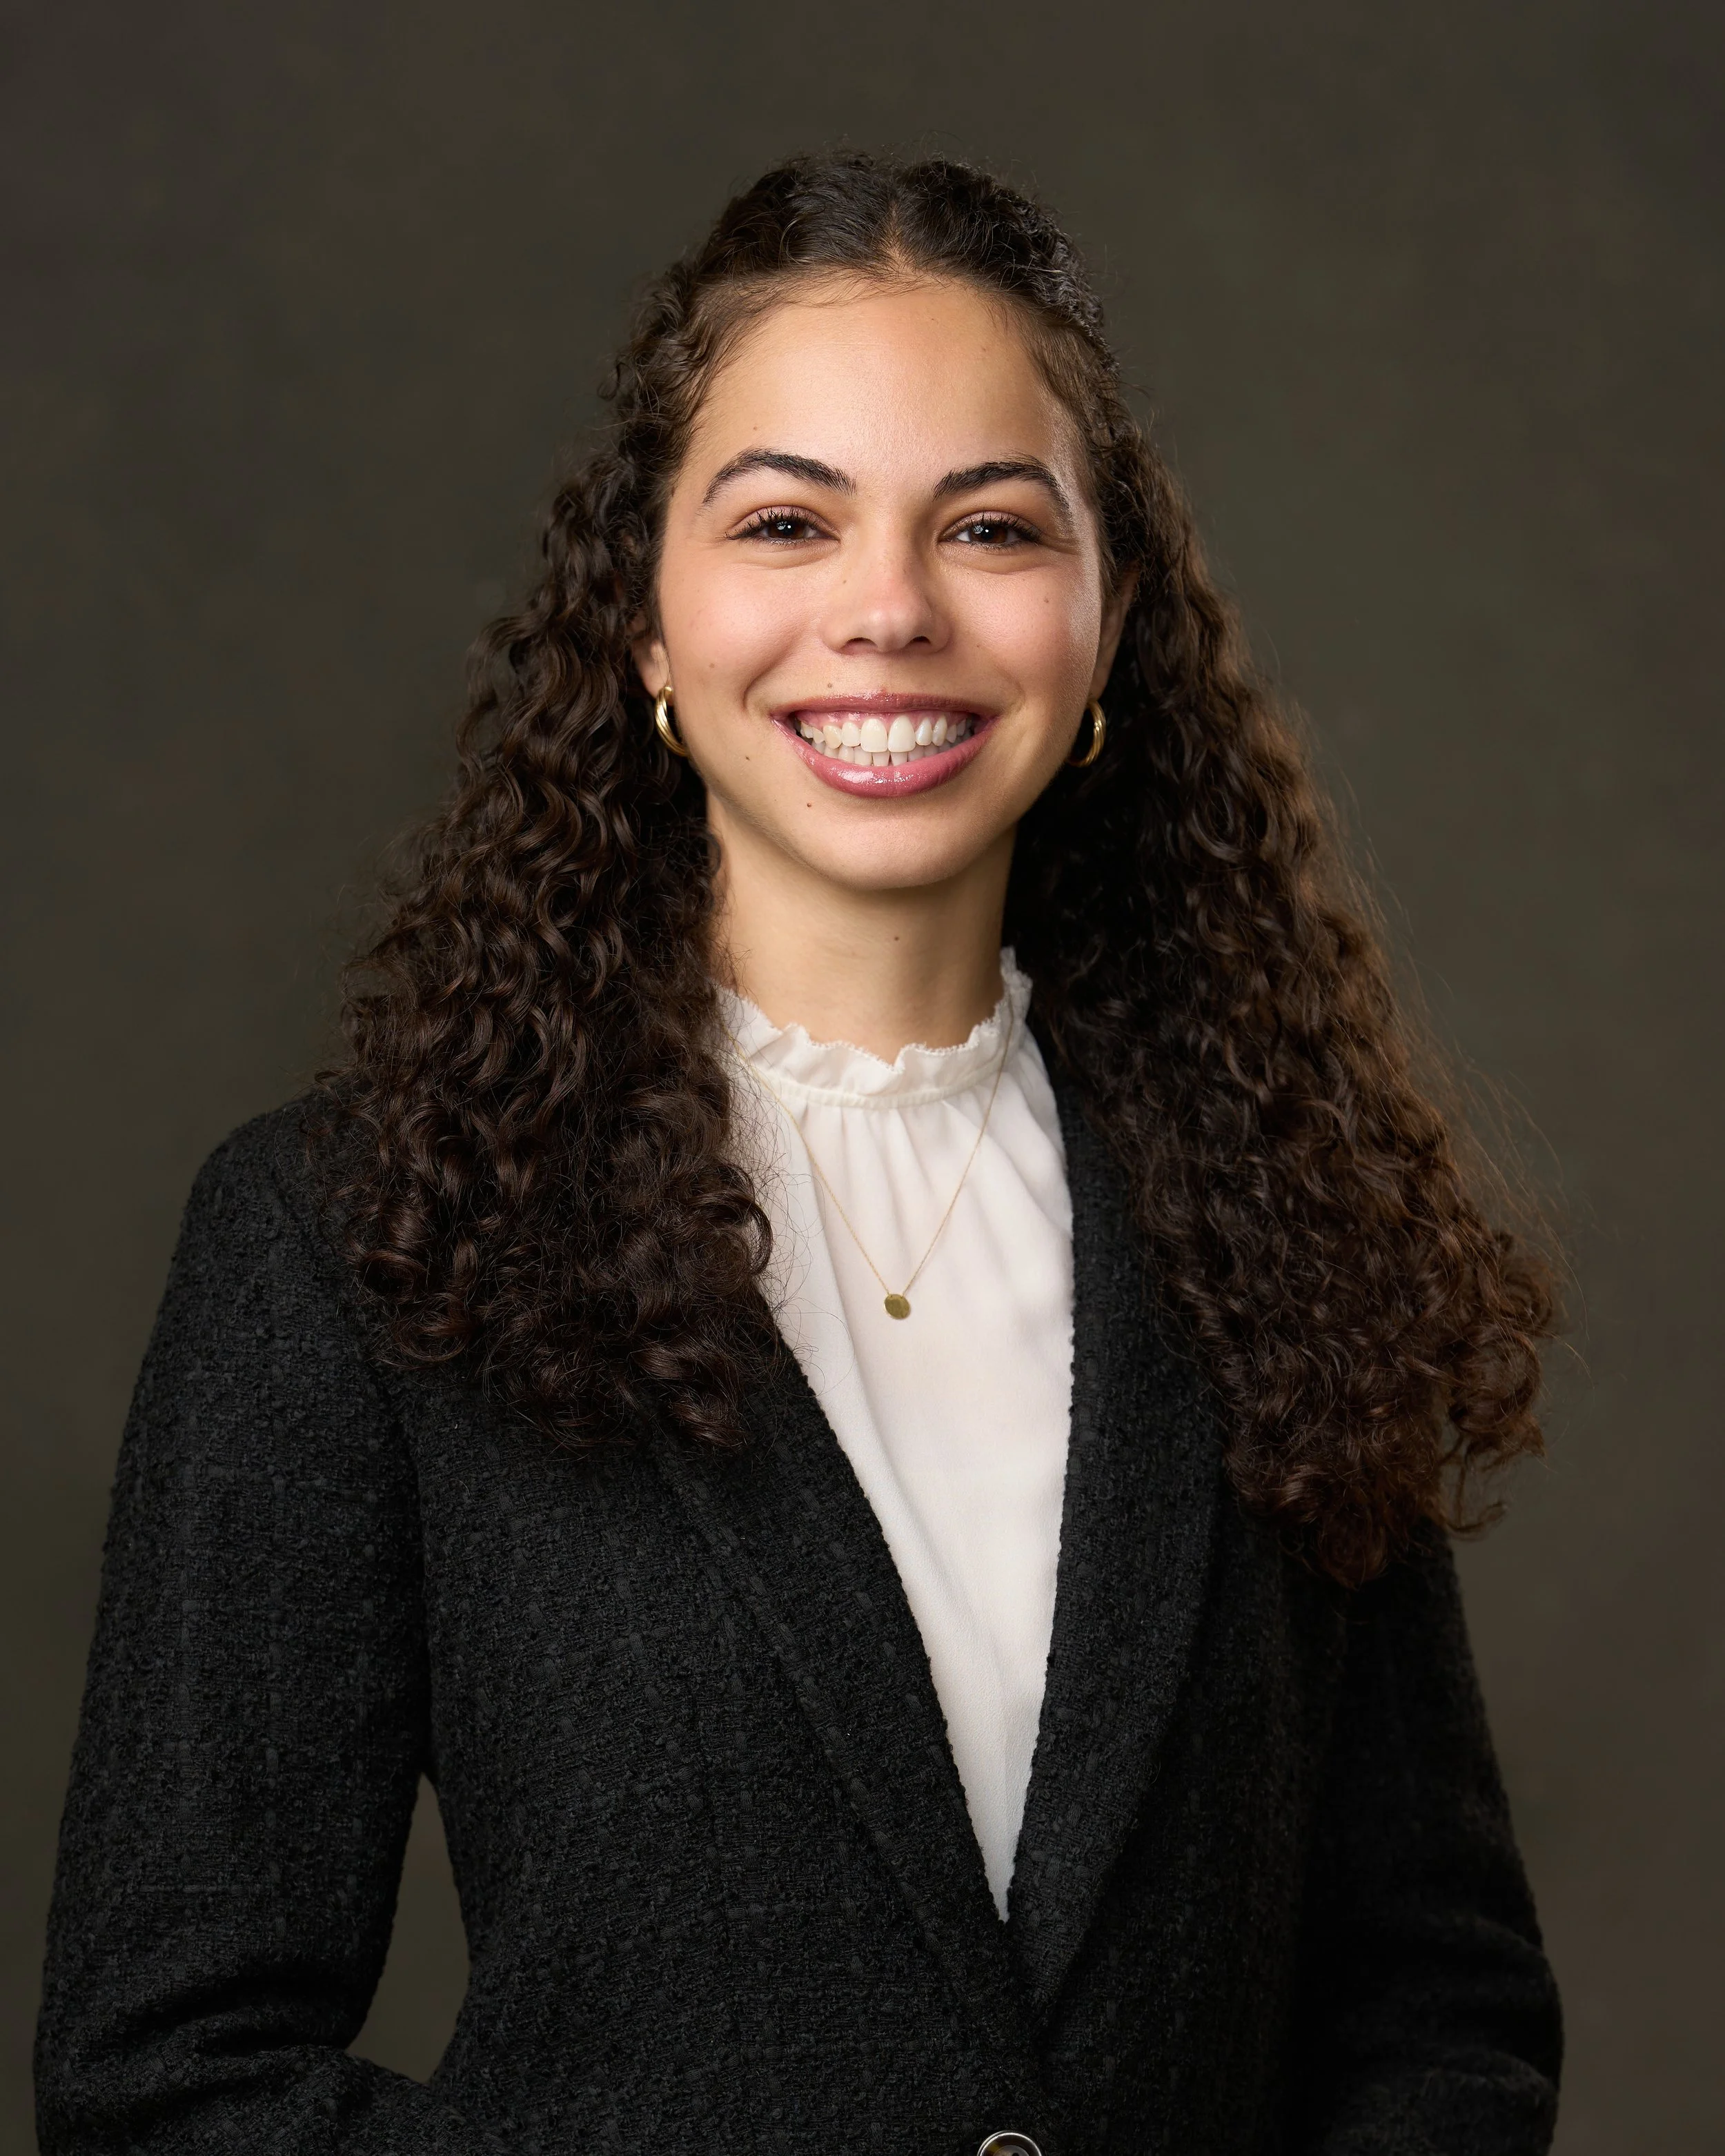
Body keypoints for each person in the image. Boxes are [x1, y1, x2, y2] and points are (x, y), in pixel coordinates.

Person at [36, 152, 1563, 2155]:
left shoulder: (1275, 1226)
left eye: (991, 526)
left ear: (1108, 618)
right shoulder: (350, 1245)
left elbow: (1441, 2014)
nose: (889, 610)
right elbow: (168, 2076)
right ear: (647, 625)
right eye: (783, 519)